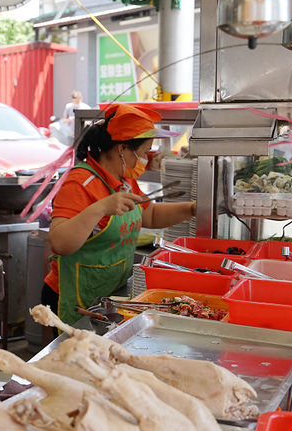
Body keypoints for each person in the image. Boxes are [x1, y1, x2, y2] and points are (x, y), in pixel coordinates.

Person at [43, 103, 197, 326]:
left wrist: (191, 209)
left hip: (106, 294)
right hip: (72, 296)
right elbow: (59, 243)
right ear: (122, 149)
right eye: (144, 152)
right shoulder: (80, 182)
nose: (146, 159)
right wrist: (101, 207)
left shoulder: (124, 180)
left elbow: (150, 215)